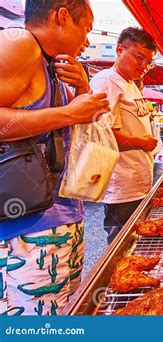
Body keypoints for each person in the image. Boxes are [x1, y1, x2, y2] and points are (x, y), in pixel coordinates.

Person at [0, 0, 110, 316]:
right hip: (28, 228)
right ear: (61, 16)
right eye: (86, 29)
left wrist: (82, 89)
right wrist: (67, 113)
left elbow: (73, 128)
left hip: (61, 215)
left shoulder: (53, 64)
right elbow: (63, 119)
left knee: (62, 315)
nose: (87, 40)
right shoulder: (20, 43)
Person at [89, 27, 158, 244]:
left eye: (148, 62)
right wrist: (143, 143)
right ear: (120, 50)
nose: (144, 66)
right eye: (139, 58)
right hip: (122, 186)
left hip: (138, 183)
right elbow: (102, 135)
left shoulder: (130, 84)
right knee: (122, 246)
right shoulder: (106, 81)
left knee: (137, 243)